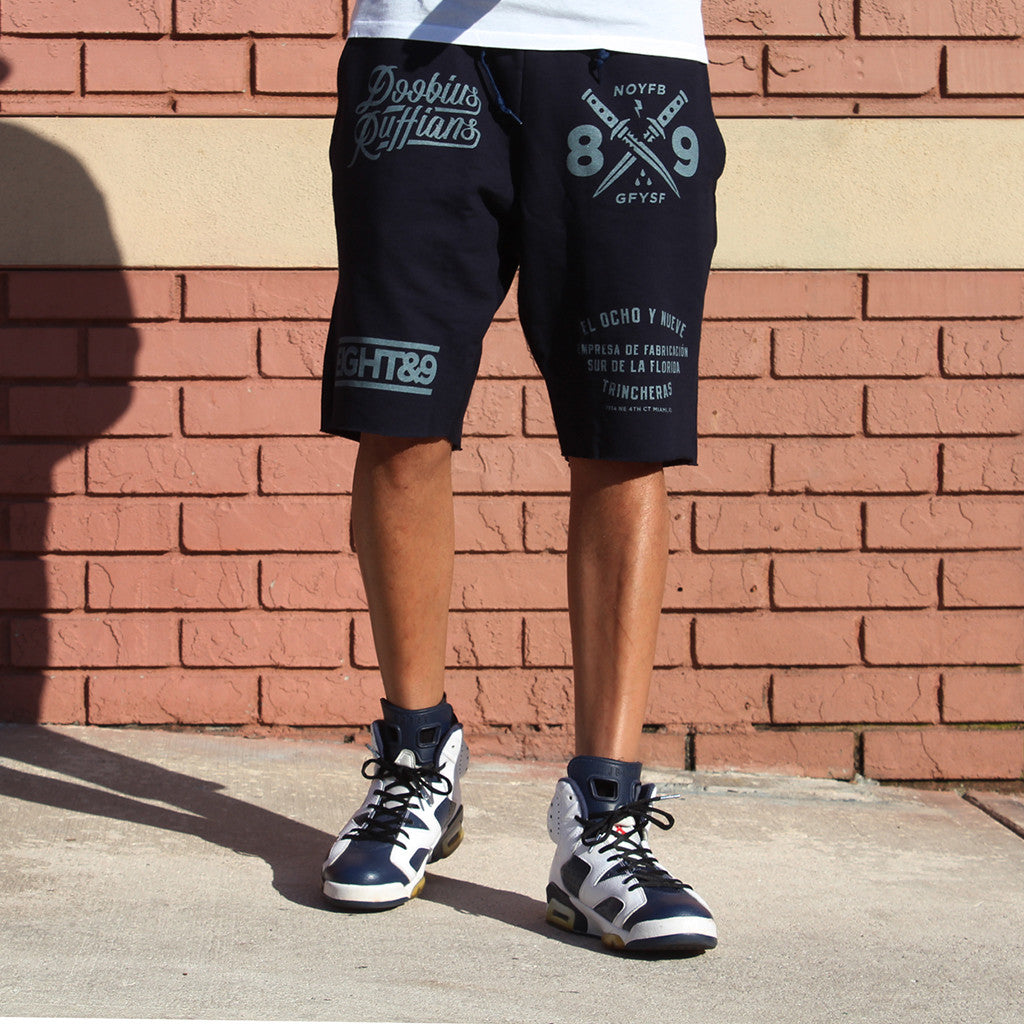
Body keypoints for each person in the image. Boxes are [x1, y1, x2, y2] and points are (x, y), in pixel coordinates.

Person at [319, 0, 726, 953]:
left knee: (626, 430)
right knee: (398, 412)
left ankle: (603, 822)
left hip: (630, 50)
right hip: (420, 50)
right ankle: (417, 761)